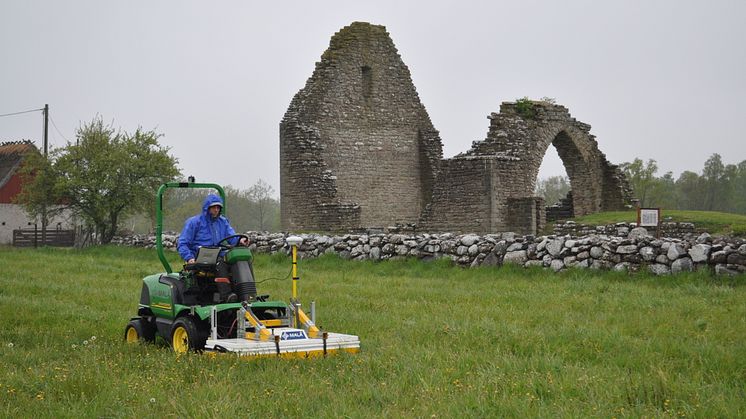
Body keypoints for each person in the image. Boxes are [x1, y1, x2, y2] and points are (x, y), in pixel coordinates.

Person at [177, 194, 247, 263]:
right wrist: (189, 258)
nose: (216, 210)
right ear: (207, 208)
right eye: (213, 207)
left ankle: (245, 274)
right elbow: (183, 243)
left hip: (218, 254)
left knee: (241, 259)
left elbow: (231, 236)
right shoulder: (194, 222)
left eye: (218, 208)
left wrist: (240, 240)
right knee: (221, 266)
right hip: (199, 258)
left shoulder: (223, 222)